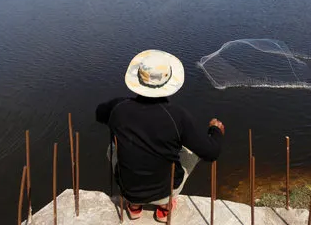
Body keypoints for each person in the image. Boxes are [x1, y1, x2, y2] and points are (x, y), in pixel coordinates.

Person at [96, 49, 224, 223]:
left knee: (112, 147)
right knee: (191, 149)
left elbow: (99, 114)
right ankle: (164, 208)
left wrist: (123, 109)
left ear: (138, 80)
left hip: (129, 189)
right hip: (165, 191)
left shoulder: (118, 108)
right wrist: (215, 131)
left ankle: (134, 206)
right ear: (168, 83)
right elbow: (211, 152)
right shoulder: (178, 116)